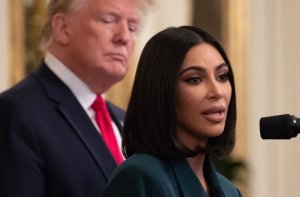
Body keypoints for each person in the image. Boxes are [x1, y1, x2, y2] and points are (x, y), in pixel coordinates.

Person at [0, 0, 150, 196]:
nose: (124, 37)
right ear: (62, 28)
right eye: (108, 20)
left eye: (132, 27)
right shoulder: (16, 111)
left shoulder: (127, 121)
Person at [103, 26, 242, 197]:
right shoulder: (140, 176)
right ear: (161, 91)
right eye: (195, 79)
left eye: (222, 76)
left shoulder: (230, 191)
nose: (218, 92)